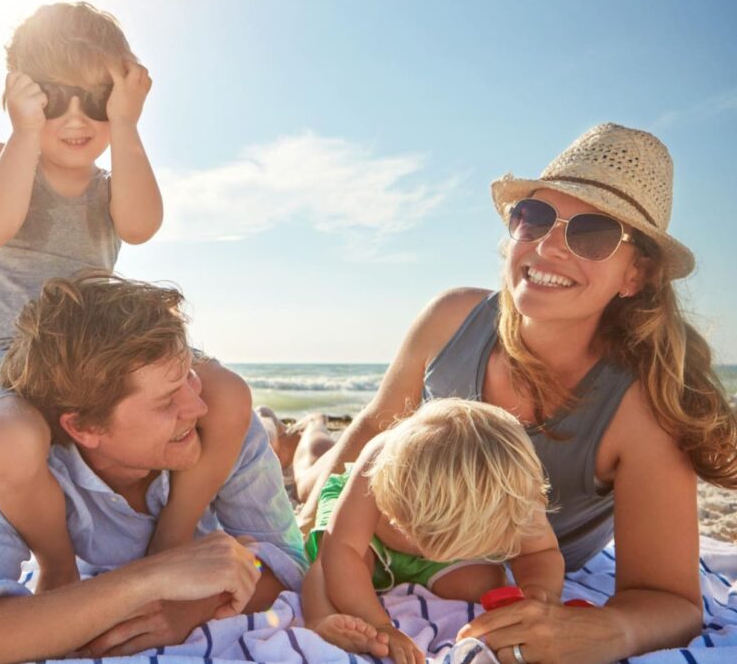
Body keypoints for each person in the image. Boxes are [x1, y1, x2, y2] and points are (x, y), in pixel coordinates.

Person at [290, 122, 737, 664]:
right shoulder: (451, 318)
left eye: (592, 233)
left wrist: (603, 631)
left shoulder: (641, 408)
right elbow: (373, 428)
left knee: (316, 469)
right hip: (379, 506)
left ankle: (306, 436)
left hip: (463, 557)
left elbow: (672, 603)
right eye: (535, 217)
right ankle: (308, 436)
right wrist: (310, 518)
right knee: (313, 476)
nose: (547, 246)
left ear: (636, 275)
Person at [0, 2, 251, 593]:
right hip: (12, 360)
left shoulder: (110, 187)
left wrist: (126, 125)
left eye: (95, 99)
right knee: (6, 439)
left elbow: (142, 226)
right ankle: (57, 562)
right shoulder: (5, 159)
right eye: (53, 98)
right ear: (21, 95)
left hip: (99, 353)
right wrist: (24, 131)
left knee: (227, 394)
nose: (76, 118)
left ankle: (172, 537)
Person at [0, 273, 307, 663]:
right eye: (167, 401)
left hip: (254, 451)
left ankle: (292, 431)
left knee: (279, 438)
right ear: (84, 428)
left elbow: (289, 563)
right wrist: (149, 579)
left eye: (190, 376)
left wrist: (199, 606)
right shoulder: (14, 468)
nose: (196, 407)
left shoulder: (219, 429)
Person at [299, 399, 564, 664]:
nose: (425, 547)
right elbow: (342, 550)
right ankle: (321, 620)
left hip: (434, 558)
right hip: (370, 540)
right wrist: (380, 625)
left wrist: (539, 590)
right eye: (415, 530)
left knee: (484, 584)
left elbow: (540, 553)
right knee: (328, 567)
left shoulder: (514, 495)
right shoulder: (380, 461)